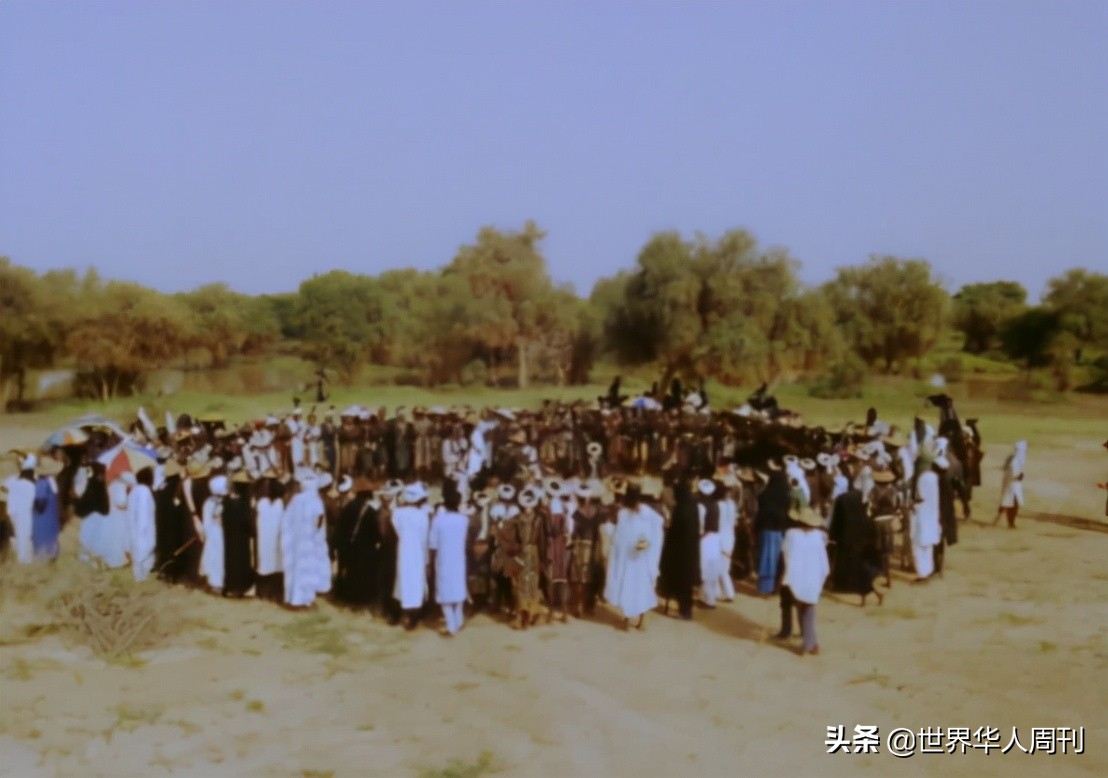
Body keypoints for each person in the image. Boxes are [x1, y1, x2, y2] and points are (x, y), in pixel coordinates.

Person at [604, 483, 664, 631]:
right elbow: (620, 537)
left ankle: (632, 621)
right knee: (639, 588)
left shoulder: (644, 513)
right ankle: (636, 620)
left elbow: (654, 532)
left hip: (639, 558)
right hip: (632, 559)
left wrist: (641, 547)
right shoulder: (626, 513)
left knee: (633, 588)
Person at [776, 502, 830, 655]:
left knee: (803, 609)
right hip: (813, 576)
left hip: (797, 576)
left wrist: (783, 576)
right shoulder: (818, 536)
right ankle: (812, 642)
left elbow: (786, 554)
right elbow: (823, 561)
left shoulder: (792, 535)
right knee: (808, 609)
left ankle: (808, 643)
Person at [827, 481, 883, 606]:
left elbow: (837, 520)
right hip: (863, 537)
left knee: (846, 561)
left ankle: (845, 585)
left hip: (846, 534)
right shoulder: (863, 502)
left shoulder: (841, 499)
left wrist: (833, 535)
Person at [332, 477, 379, 608]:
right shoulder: (370, 511)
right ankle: (361, 598)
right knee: (363, 573)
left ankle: (344, 595)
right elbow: (375, 533)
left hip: (347, 545)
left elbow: (340, 527)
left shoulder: (348, 507)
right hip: (365, 548)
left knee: (348, 571)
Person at [429, 480, 469, 636]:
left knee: (445, 592)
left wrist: (431, 562)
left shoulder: (438, 521)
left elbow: (433, 545)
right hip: (459, 558)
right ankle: (458, 619)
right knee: (458, 587)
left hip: (444, 558)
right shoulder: (464, 520)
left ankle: (451, 624)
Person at [658, 479, 700, 619]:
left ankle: (684, 610)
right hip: (691, 551)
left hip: (680, 553)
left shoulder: (681, 509)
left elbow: (676, 533)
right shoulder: (692, 506)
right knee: (686, 585)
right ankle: (686, 609)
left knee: (680, 583)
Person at [392, 482, 431, 629]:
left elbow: (397, 529)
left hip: (403, 551)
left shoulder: (398, 513)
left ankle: (405, 615)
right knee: (416, 582)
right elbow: (425, 538)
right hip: (419, 552)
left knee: (403, 581)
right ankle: (413, 616)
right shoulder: (423, 516)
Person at [754, 462, 791, 595]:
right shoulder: (787, 494)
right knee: (777, 558)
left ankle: (765, 587)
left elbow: (760, 510)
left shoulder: (766, 494)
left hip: (766, 528)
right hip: (780, 529)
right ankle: (775, 586)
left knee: (765, 557)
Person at [911, 458, 943, 583]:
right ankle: (928, 570)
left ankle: (922, 573)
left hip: (922, 518)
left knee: (918, 547)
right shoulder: (935, 479)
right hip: (932, 518)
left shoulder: (924, 478)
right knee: (928, 547)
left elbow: (919, 497)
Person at [254, 473, 285, 602]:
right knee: (276, 565)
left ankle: (262, 593)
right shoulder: (280, 504)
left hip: (263, 540)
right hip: (277, 540)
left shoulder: (261, 503)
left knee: (264, 564)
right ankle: (276, 594)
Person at [5, 455, 37, 564]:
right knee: (24, 537)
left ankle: (20, 559)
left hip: (13, 513)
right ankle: (24, 561)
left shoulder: (13, 481)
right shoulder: (33, 484)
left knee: (17, 536)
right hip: (25, 514)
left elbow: (4, 483)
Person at [199, 475, 228, 593]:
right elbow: (206, 521)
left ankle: (222, 582)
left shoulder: (226, 501)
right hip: (214, 534)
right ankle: (215, 584)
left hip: (223, 533)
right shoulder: (209, 502)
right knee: (215, 558)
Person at [127, 467, 157, 581]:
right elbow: (143, 515)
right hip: (144, 532)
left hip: (134, 531)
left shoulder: (134, 490)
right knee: (145, 559)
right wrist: (144, 532)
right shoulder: (145, 491)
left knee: (138, 559)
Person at [31, 456, 62, 562]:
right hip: (44, 520)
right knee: (46, 550)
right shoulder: (44, 483)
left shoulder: (47, 482)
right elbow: (40, 506)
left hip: (47, 520)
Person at [995, 441, 1027, 528]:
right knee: (1012, 504)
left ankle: (1000, 519)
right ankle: (1010, 523)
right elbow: (1014, 475)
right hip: (1013, 485)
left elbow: (1004, 468)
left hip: (1009, 484)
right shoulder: (1015, 461)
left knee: (1006, 501)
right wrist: (1020, 476)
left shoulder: (1011, 458)